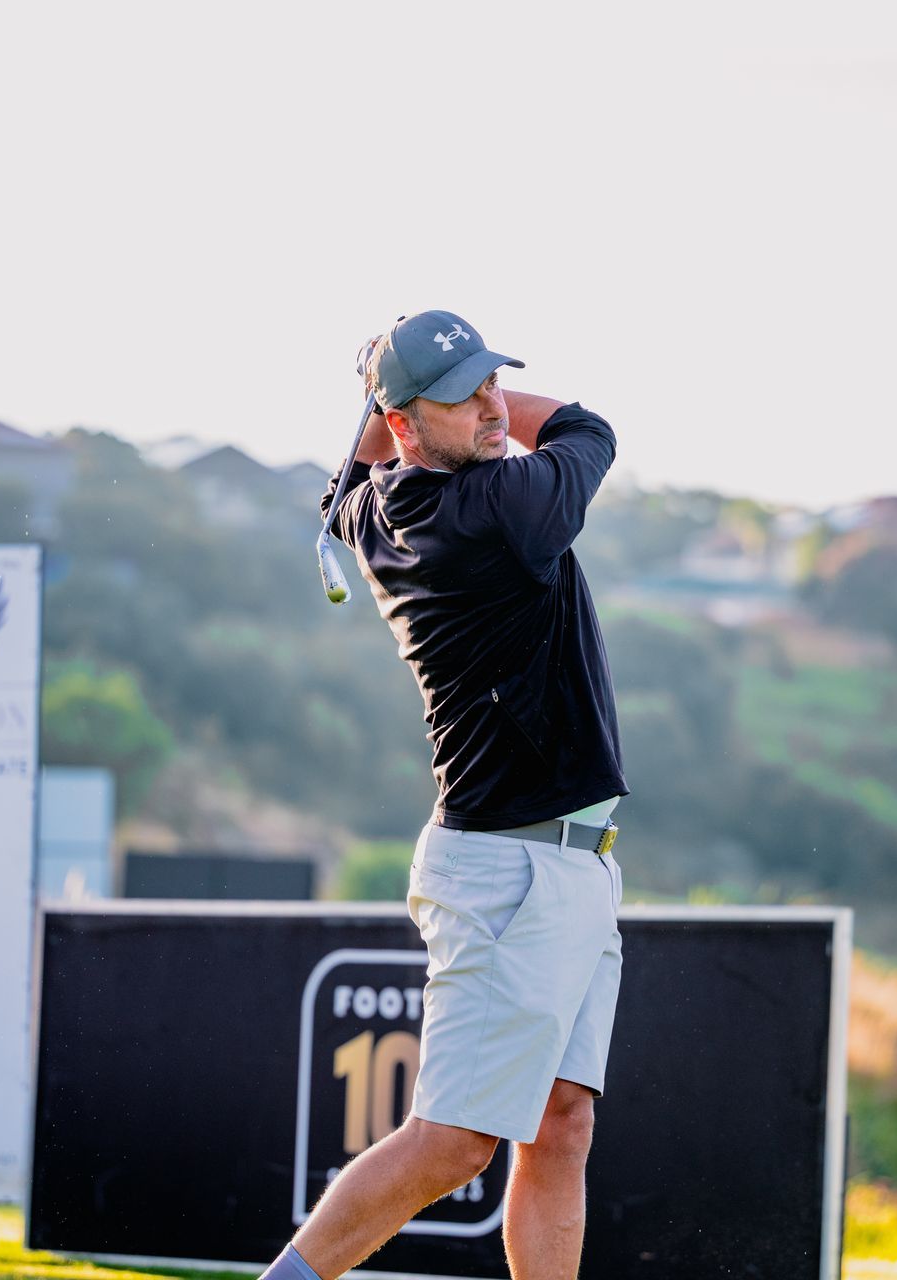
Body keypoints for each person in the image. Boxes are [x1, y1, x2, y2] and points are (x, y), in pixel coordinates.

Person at [261, 310, 627, 1280]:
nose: (494, 407)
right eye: (465, 396)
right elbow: (586, 428)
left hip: (565, 861)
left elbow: (348, 479)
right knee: (455, 1141)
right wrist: (403, 399)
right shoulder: (503, 511)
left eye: (494, 381)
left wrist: (416, 398)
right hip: (511, 871)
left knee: (561, 1120)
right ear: (406, 423)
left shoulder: (371, 510)